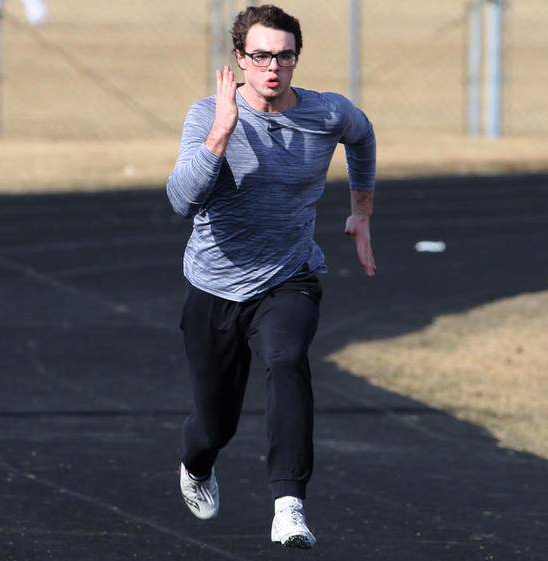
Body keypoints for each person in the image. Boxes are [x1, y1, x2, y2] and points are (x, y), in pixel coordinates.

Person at [165, 4, 376, 549]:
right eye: (260, 56)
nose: (273, 67)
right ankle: (196, 463)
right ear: (239, 59)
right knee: (215, 425)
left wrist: (361, 211)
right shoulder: (208, 114)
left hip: (289, 276)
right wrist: (220, 134)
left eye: (284, 56)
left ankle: (289, 504)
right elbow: (180, 200)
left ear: (296, 59)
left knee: (286, 360)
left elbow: (362, 135)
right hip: (213, 286)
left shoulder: (325, 113)